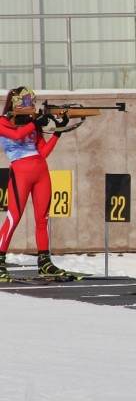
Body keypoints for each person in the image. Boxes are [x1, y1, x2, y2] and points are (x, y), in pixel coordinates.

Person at [0, 86, 71, 282]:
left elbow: (43, 151)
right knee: (14, 218)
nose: (31, 106)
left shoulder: (31, 123)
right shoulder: (2, 122)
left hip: (41, 170)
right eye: (27, 103)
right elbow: (15, 136)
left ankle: (44, 262)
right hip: (20, 172)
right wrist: (36, 123)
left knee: (43, 219)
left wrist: (58, 131)